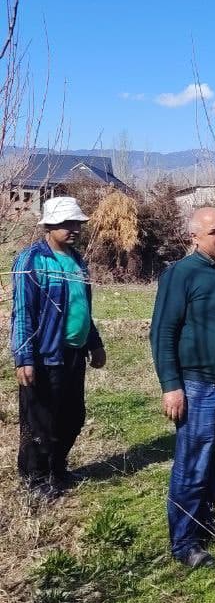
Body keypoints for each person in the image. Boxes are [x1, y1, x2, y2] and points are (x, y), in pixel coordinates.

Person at [150, 205, 215, 570]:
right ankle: (184, 542)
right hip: (200, 387)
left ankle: (206, 521)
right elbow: (163, 332)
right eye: (214, 232)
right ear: (194, 237)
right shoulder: (182, 274)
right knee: (193, 466)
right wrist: (171, 386)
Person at [10, 195, 107, 500]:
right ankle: (35, 478)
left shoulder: (78, 261)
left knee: (73, 415)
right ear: (49, 226)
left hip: (74, 352)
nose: (74, 228)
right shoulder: (32, 260)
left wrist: (95, 343)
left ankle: (57, 468)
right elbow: (22, 311)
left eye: (76, 222)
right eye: (66, 223)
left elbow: (81, 309)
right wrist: (23, 356)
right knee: (41, 421)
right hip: (44, 354)